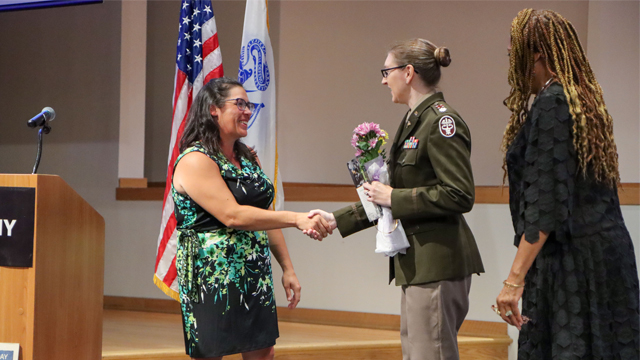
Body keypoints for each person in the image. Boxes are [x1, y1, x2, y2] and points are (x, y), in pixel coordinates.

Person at [309, 39, 485, 360]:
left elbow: (459, 194)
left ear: (407, 73)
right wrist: (337, 220)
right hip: (418, 265)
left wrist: (394, 196)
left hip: (437, 263)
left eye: (386, 71)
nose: (382, 79)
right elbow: (387, 195)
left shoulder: (442, 123)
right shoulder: (412, 121)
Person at [495, 9, 639, 359]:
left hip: (574, 264)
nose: (512, 65)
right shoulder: (582, 100)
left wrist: (514, 281)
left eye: (515, 54)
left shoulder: (552, 103)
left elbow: (547, 205)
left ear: (538, 54)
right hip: (606, 257)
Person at [171, 77, 331, 360]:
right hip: (212, 275)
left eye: (249, 105)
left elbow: (265, 216)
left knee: (264, 350)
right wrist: (296, 218)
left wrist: (288, 268)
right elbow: (233, 216)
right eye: (240, 104)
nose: (248, 111)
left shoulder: (247, 158)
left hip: (253, 273)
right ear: (213, 109)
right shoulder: (195, 159)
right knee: (211, 353)